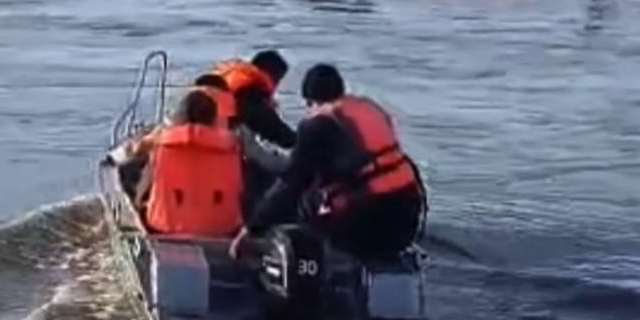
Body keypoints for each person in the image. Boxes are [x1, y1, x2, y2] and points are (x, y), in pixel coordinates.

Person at [229, 64, 425, 260]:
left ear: (310, 100)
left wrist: (252, 228)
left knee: (305, 204)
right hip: (408, 219)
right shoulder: (372, 110)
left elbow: (290, 185)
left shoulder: (317, 125)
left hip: (368, 226)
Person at [135, 89, 245, 238]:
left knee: (148, 170)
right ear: (213, 118)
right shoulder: (233, 145)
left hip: (164, 227)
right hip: (223, 229)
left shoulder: (161, 142)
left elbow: (135, 151)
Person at [211, 50, 297, 150]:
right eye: (278, 80)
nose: (276, 87)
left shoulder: (228, 85)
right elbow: (280, 134)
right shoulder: (250, 95)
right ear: (271, 75)